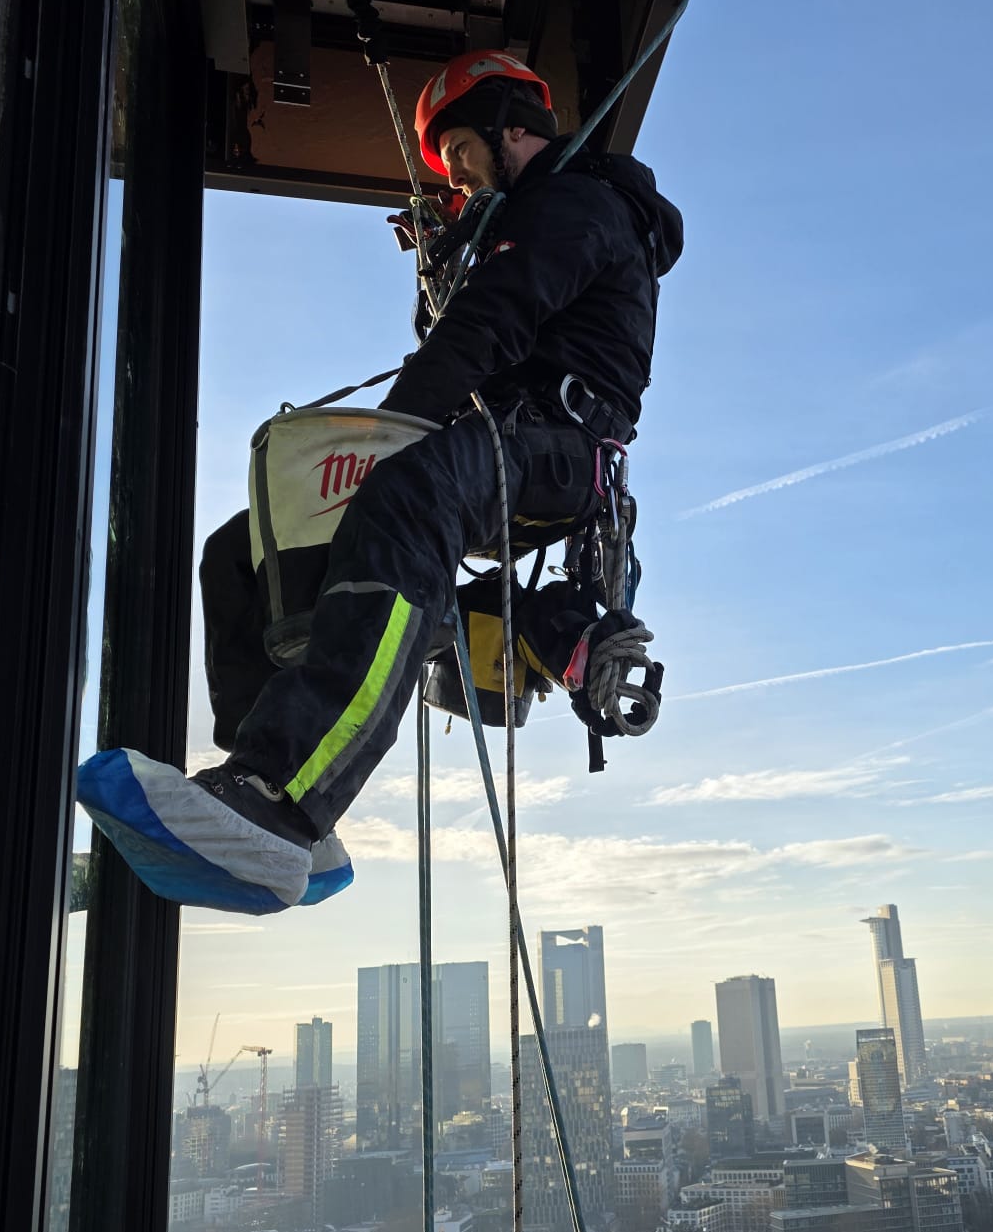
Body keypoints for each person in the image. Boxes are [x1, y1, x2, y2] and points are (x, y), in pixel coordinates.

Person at [78, 50, 683, 913]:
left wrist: (395, 433)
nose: (463, 177)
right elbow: (479, 328)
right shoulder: (531, 219)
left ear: (516, 127)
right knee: (244, 549)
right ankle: (259, 789)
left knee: (406, 493)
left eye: (467, 152)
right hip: (501, 446)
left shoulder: (580, 205)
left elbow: (490, 326)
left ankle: (287, 798)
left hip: (561, 450)